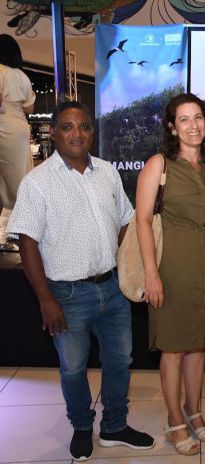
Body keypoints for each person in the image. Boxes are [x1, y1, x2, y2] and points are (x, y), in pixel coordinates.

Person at [7, 101, 155, 461]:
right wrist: (45, 299)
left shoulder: (107, 172)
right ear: (54, 132)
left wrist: (131, 266)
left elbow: (125, 222)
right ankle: (82, 427)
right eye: (68, 127)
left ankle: (115, 426)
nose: (77, 133)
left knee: (120, 361)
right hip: (66, 293)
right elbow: (27, 243)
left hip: (112, 288)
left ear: (93, 131)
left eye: (84, 126)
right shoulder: (37, 182)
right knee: (73, 367)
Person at [135, 93, 205, 456]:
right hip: (172, 265)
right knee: (173, 347)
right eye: (184, 119)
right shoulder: (158, 165)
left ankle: (195, 413)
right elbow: (143, 221)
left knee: (198, 343)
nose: (193, 126)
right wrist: (151, 273)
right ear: (171, 126)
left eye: (198, 118)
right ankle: (174, 419)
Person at [0, 34, 35, 251]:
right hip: (19, 126)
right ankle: (24, 235)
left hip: (3, 124)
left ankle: (15, 235)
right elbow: (30, 108)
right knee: (20, 179)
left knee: (5, 184)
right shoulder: (21, 75)